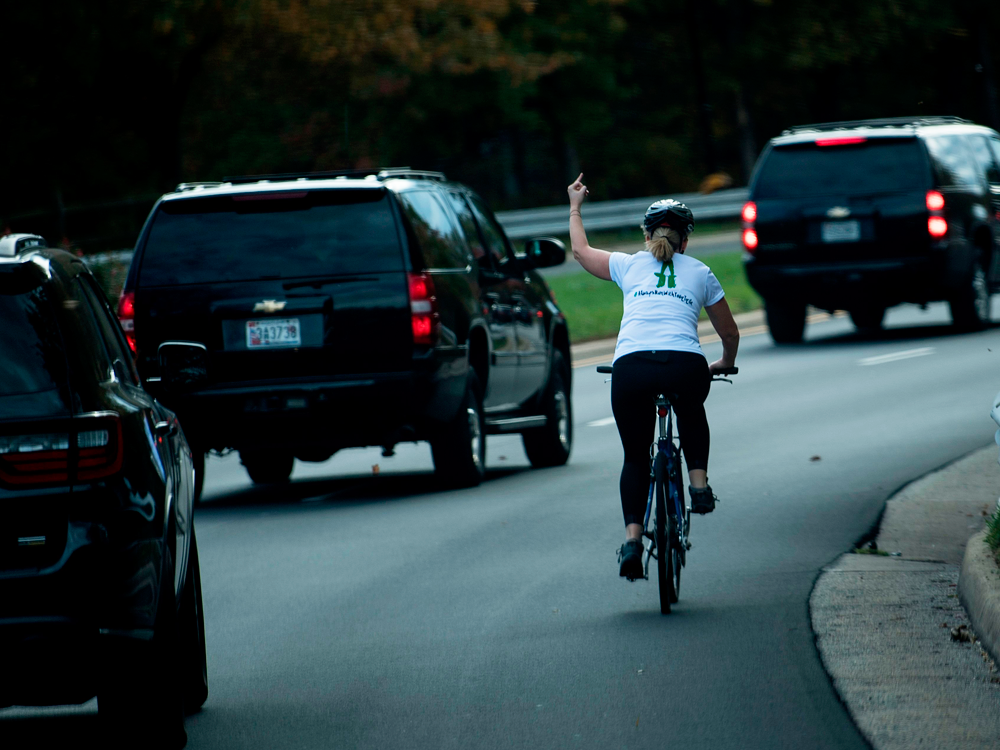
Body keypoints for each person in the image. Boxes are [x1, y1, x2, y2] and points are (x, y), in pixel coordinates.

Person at [566, 173, 740, 581]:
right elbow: (728, 332)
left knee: (634, 455)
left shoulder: (627, 265)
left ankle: (631, 540)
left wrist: (575, 206)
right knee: (691, 407)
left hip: (632, 368)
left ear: (647, 235)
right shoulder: (700, 271)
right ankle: (698, 486)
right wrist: (725, 361)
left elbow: (580, 251)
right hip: (685, 365)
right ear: (686, 240)